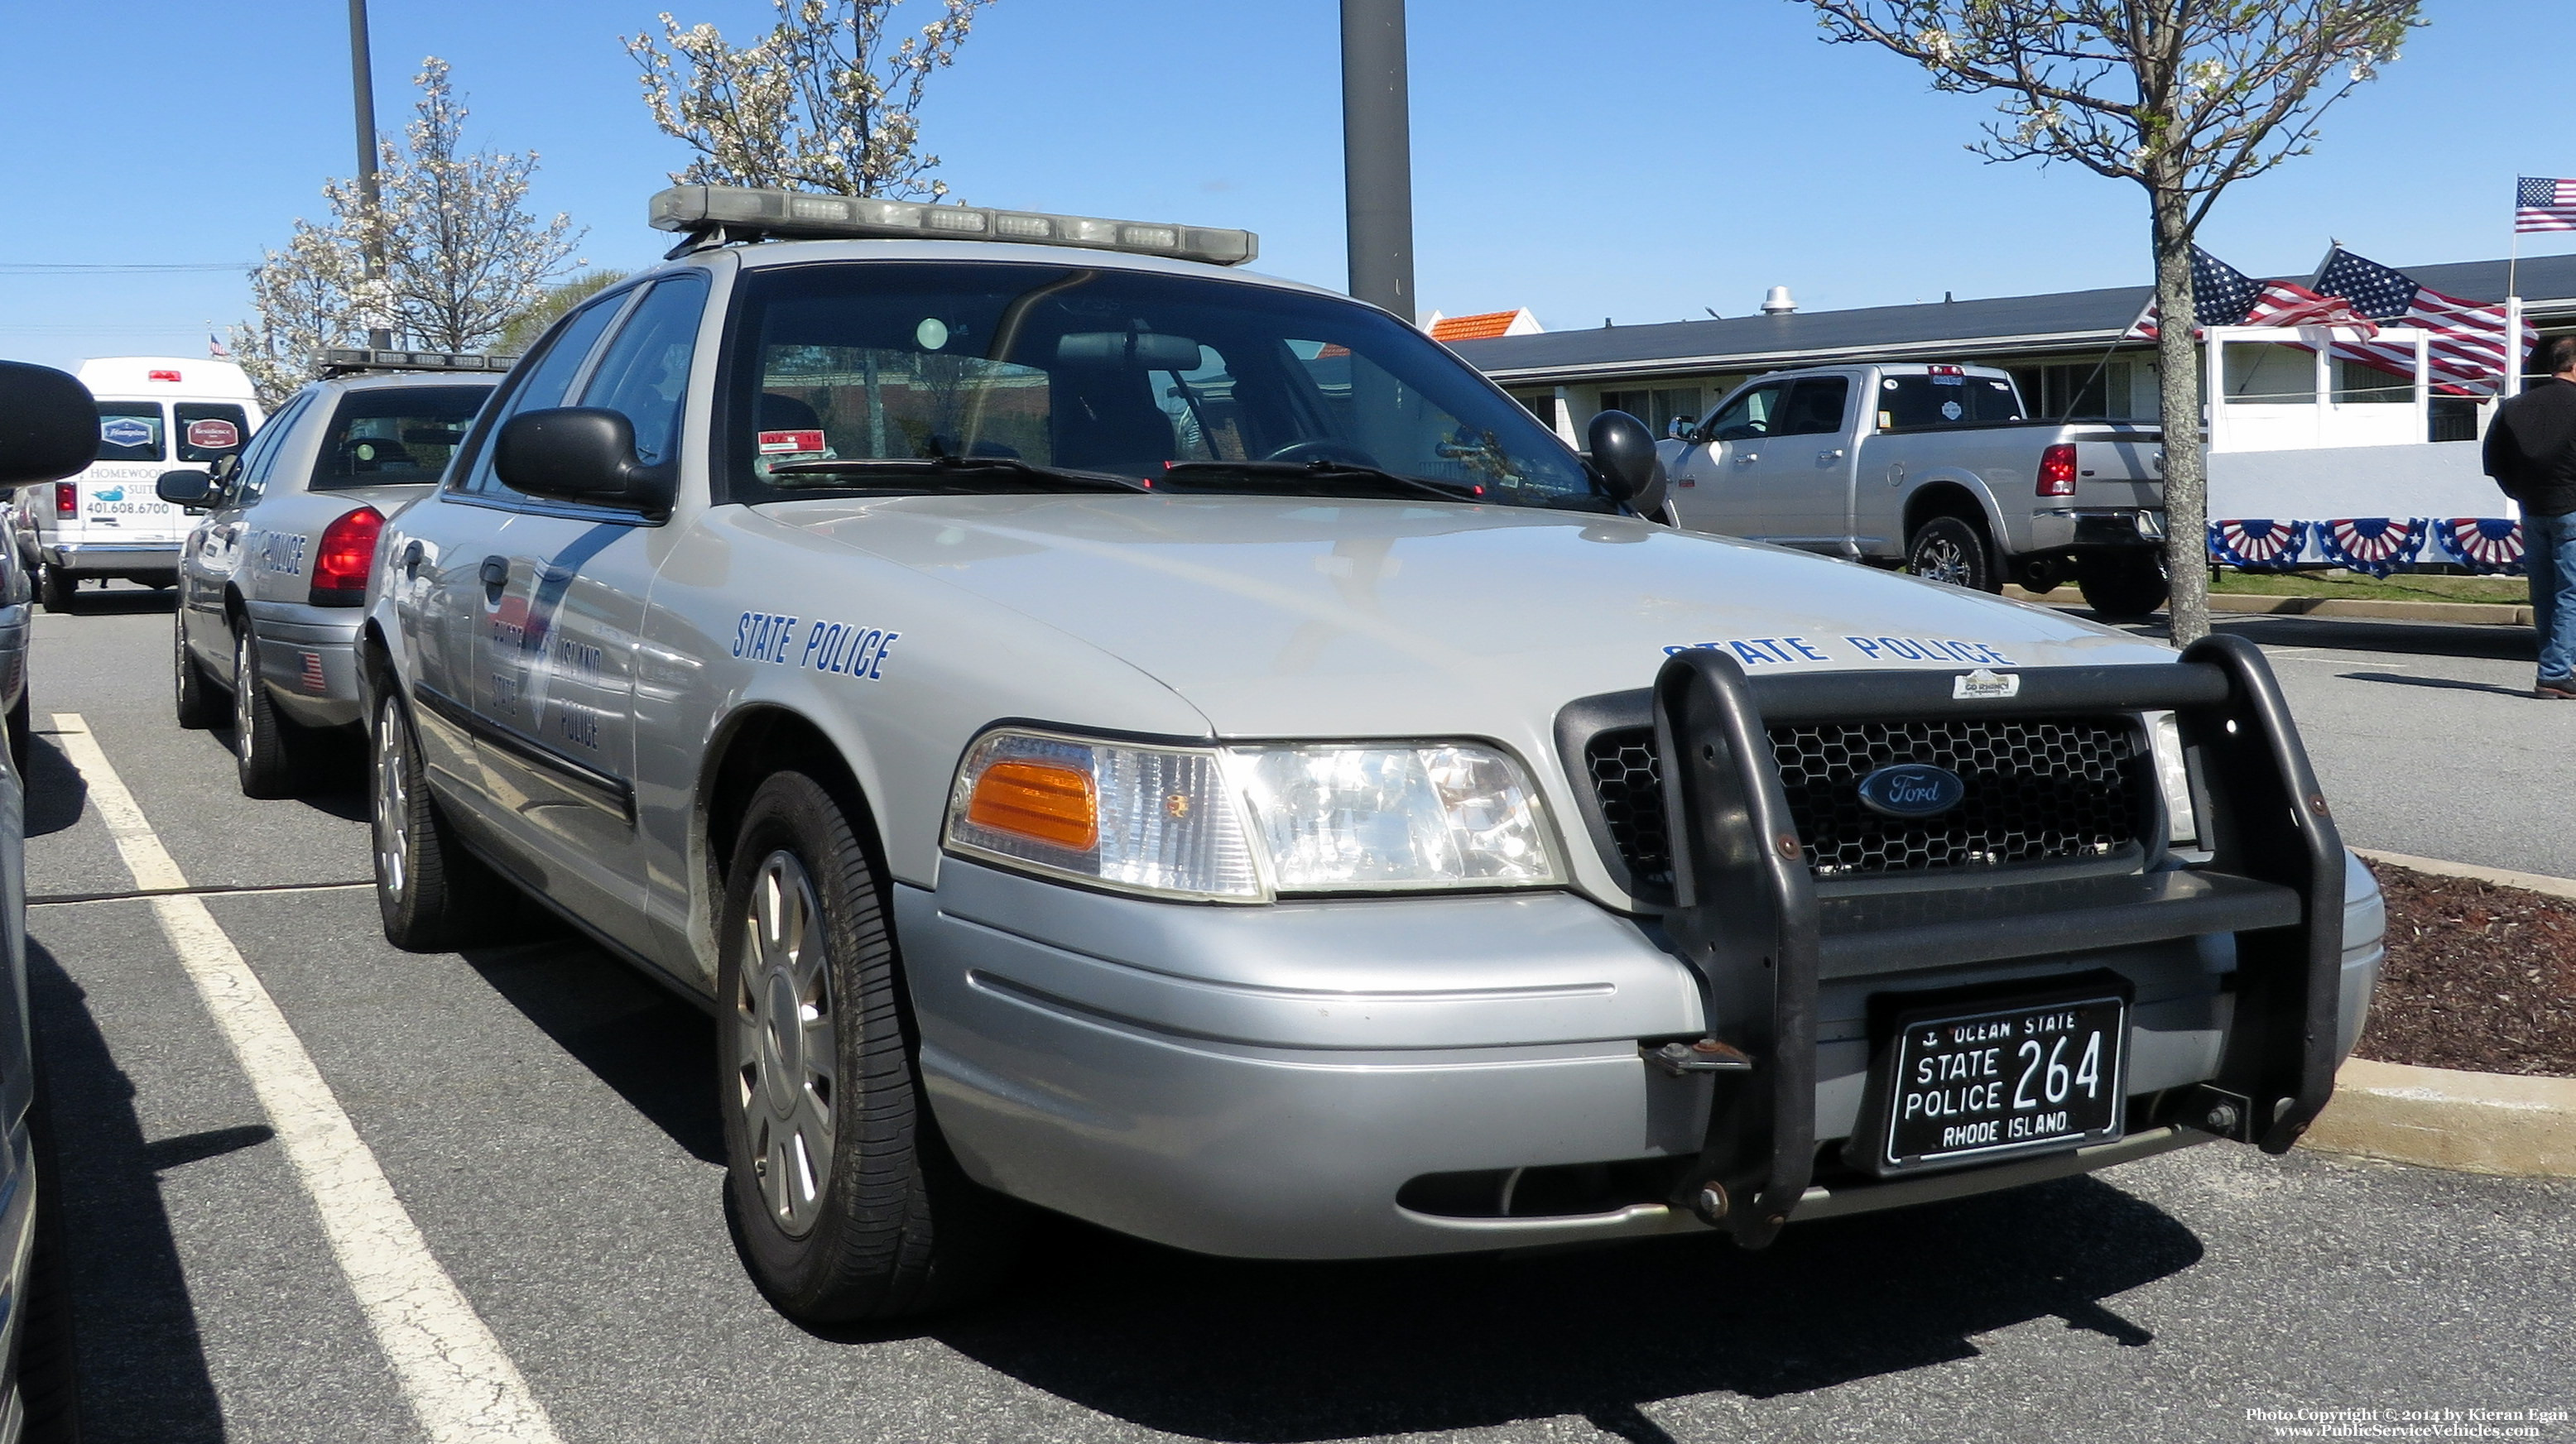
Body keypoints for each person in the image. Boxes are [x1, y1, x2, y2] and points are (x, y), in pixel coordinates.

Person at [2483, 334, 2576, 698]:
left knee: (2546, 593)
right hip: (2572, 506)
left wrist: (2521, 494)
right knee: (2571, 593)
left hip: (2533, 509)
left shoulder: (2514, 406)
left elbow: (2495, 463)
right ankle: (2555, 672)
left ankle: (2557, 666)